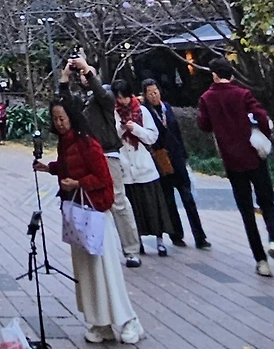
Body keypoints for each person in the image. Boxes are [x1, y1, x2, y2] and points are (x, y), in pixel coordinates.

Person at [36, 99, 143, 345]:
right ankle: (100, 322)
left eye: (62, 118)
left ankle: (128, 320)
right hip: (77, 214)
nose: (59, 123)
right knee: (86, 271)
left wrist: (78, 183)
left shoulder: (87, 142)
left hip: (94, 215)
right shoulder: (66, 143)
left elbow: (103, 177)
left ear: (72, 117)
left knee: (105, 269)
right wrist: (49, 168)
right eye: (55, 119)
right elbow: (68, 166)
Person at [197, 59, 274, 276]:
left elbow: (204, 125)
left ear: (214, 75)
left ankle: (261, 262)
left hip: (232, 162)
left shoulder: (206, 98)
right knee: (267, 203)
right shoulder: (243, 94)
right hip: (254, 156)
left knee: (246, 211)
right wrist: (262, 134)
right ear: (231, 75)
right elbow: (261, 117)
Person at [60, 55, 142, 267]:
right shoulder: (81, 99)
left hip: (107, 153)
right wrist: (65, 78)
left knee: (117, 201)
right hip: (87, 155)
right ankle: (95, 247)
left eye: (88, 73)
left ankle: (131, 250)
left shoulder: (104, 96)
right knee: (89, 202)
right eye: (82, 73)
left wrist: (87, 69)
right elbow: (64, 107)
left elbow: (102, 95)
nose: (84, 76)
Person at [112, 77, 176, 256]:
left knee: (154, 208)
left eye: (124, 97)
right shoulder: (114, 113)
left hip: (145, 167)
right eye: (118, 98)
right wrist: (122, 129)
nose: (122, 101)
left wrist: (135, 128)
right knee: (133, 210)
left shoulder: (141, 111)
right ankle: (136, 241)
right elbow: (112, 137)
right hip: (126, 168)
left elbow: (152, 137)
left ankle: (160, 240)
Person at [143, 79, 210, 249]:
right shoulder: (145, 112)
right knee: (168, 199)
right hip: (161, 159)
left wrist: (184, 154)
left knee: (188, 197)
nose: (154, 95)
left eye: (155, 91)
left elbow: (177, 132)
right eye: (150, 93)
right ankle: (176, 234)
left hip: (177, 157)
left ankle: (200, 236)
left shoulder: (167, 108)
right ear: (145, 95)